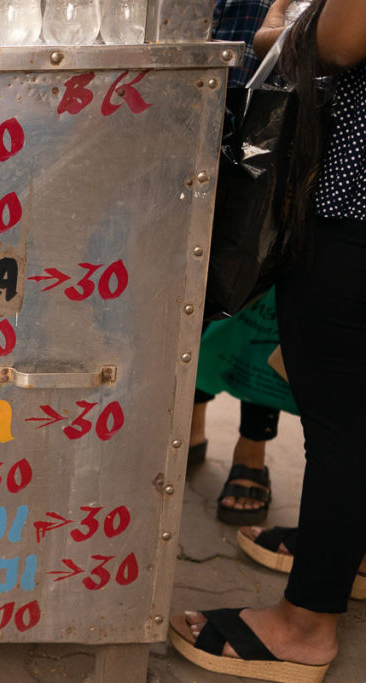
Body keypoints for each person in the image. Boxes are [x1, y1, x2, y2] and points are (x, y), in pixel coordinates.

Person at [170, 0, 366, 679]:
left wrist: (281, 29)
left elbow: (342, 40)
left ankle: (305, 623)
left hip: (358, 201)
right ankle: (347, 553)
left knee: (344, 417)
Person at [189, 0, 281, 529]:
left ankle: (252, 450)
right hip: (188, 103)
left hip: (274, 114)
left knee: (258, 282)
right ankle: (191, 425)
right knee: (189, 282)